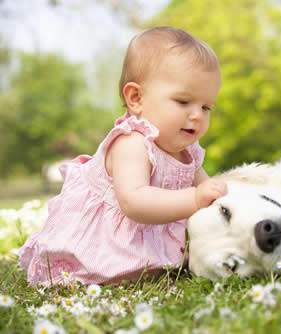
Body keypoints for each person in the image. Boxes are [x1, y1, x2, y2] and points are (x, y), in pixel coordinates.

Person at [18, 26, 227, 286]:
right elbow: (135, 201)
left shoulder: (189, 151)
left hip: (145, 242)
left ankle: (157, 263)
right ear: (136, 98)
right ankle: (93, 270)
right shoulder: (131, 143)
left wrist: (218, 197)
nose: (197, 115)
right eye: (183, 102)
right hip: (103, 244)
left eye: (206, 107)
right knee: (87, 272)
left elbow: (208, 190)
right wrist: (195, 198)